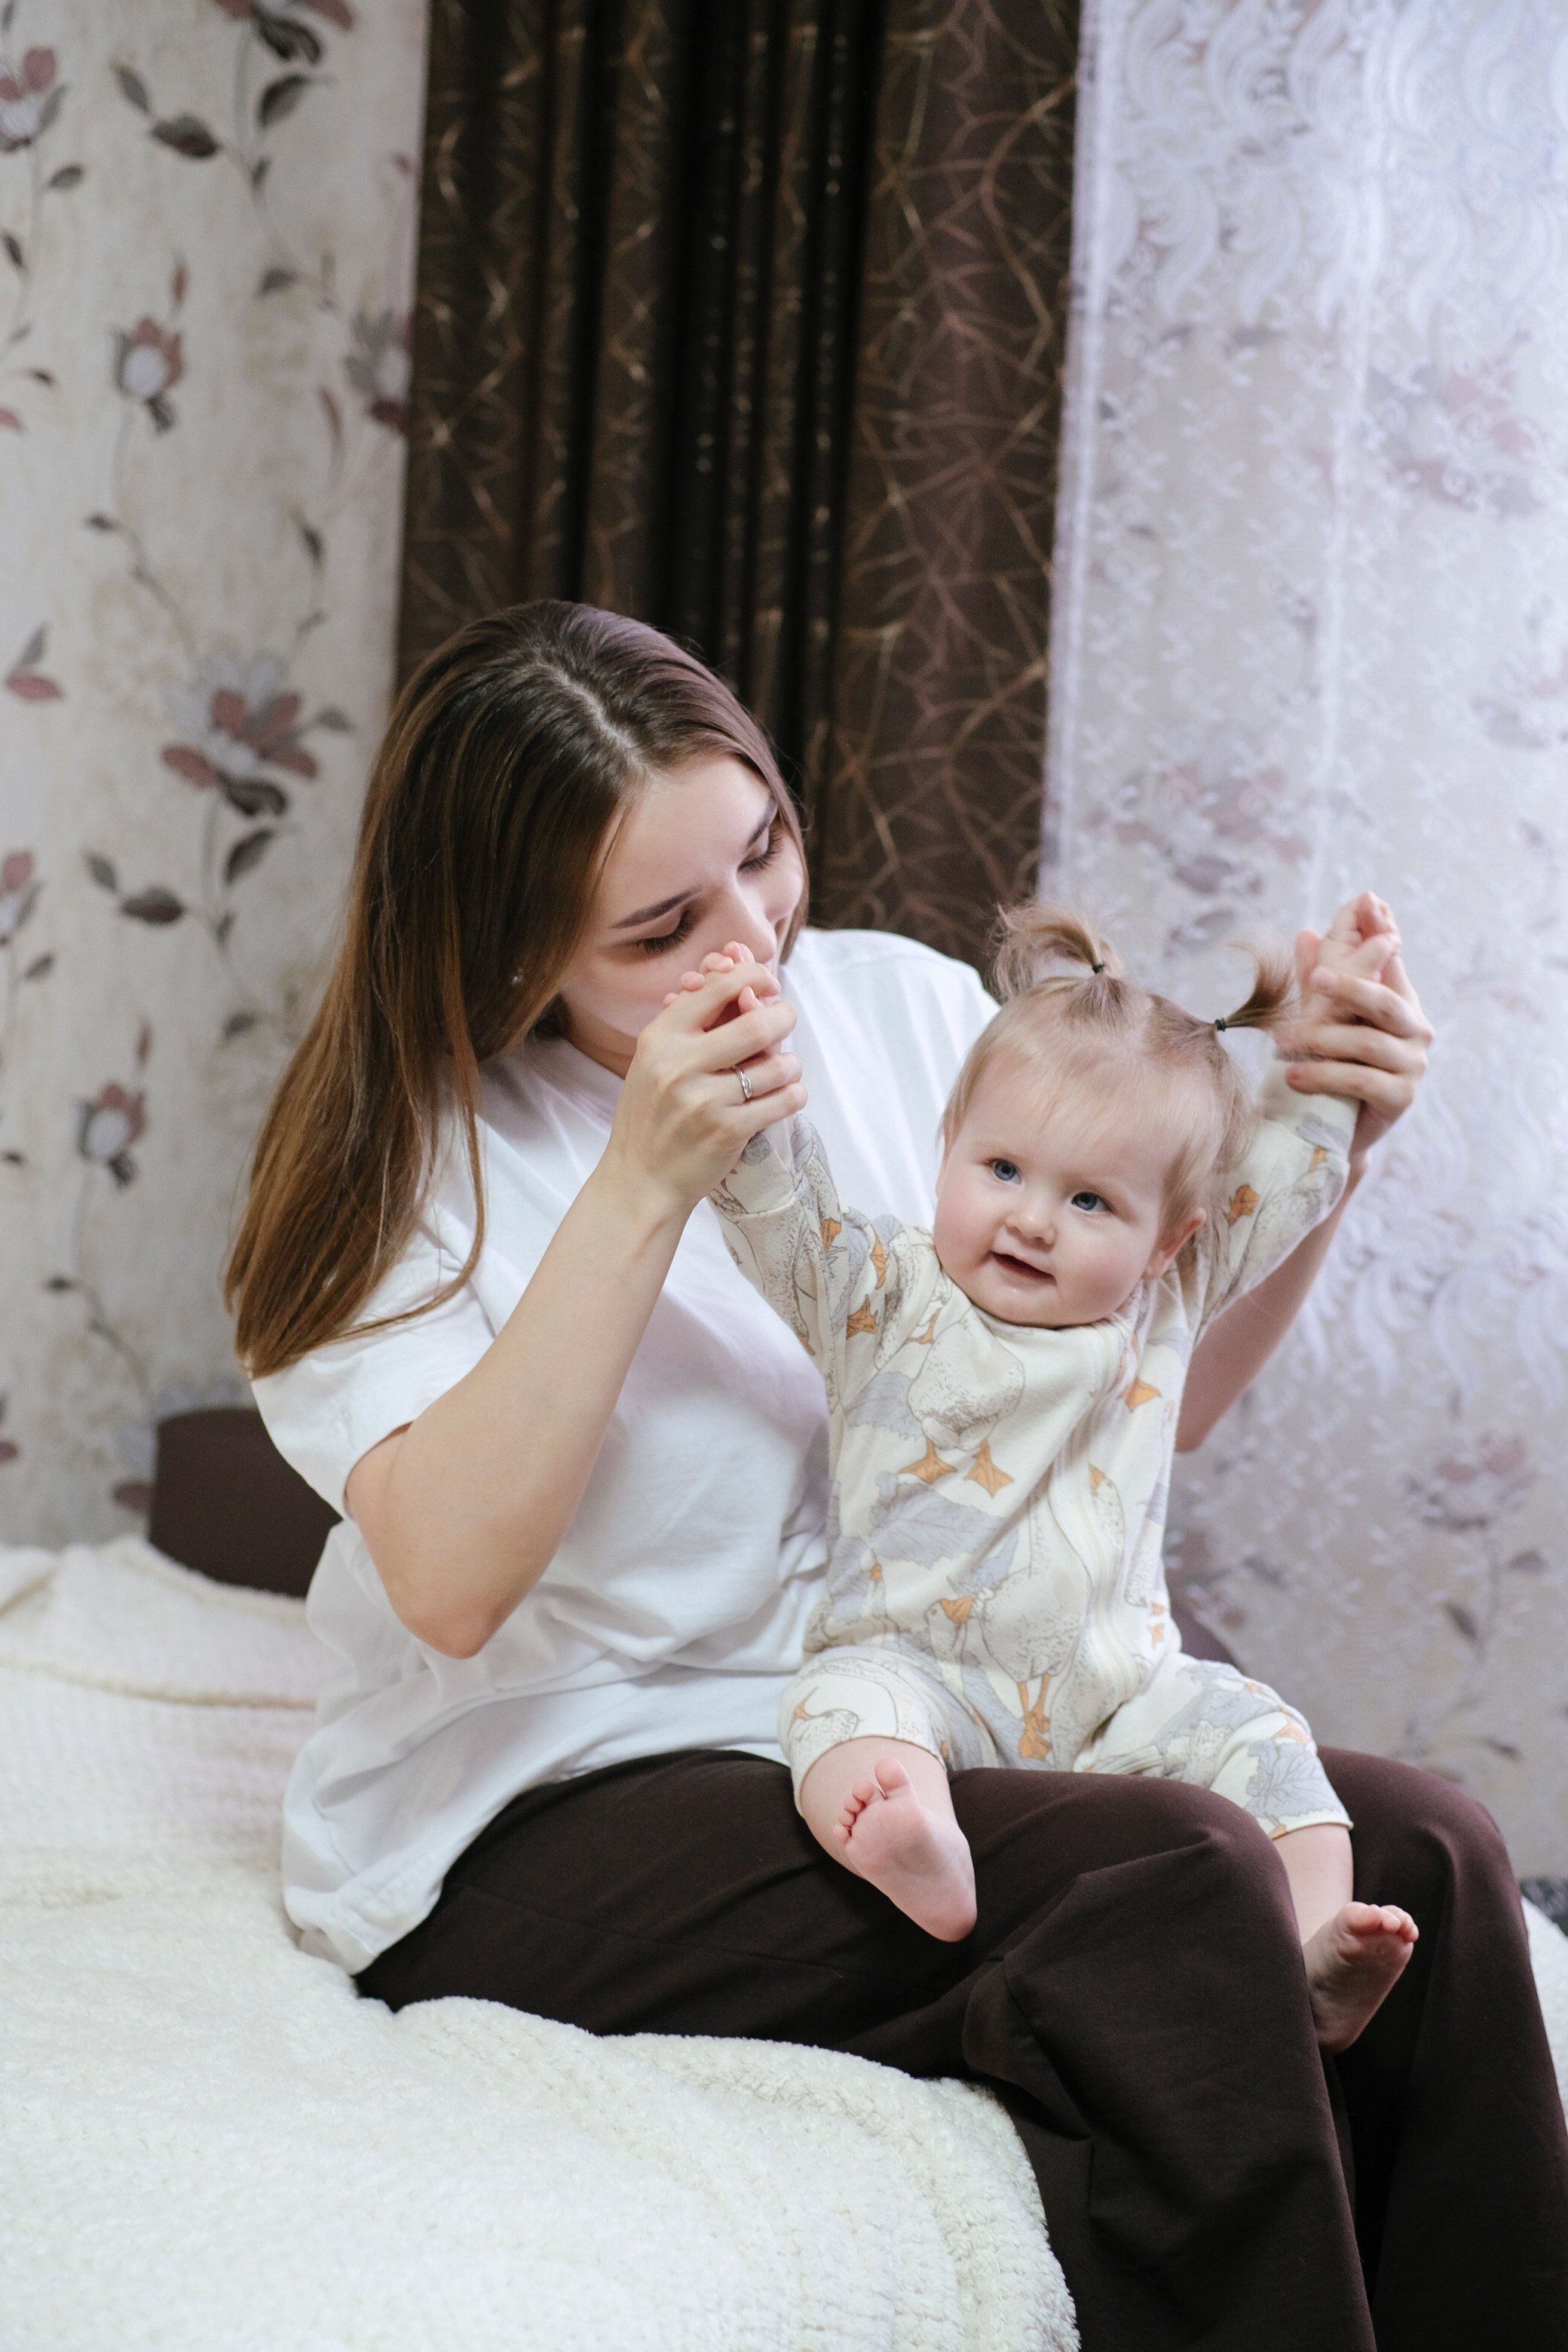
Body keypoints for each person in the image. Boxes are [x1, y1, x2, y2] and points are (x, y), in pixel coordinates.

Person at [229, 602, 1568, 2351]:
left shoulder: (900, 1014)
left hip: (923, 1732)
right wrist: (644, 1186)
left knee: (1437, 1849)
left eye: (762, 856)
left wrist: (1334, 1152)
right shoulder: (403, 1168)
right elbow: (452, 1585)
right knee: (1172, 1871)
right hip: (554, 1807)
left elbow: (1122, 1419)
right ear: (508, 952)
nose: (751, 941)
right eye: (661, 929)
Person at [699, 904, 1418, 2051]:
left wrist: (1335, 1036)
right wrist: (743, 1051)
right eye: (1002, 1169)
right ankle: (909, 1838)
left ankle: (1314, 1945)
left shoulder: (1165, 1301)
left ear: (1171, 1239)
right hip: (923, 1672)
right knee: (839, 1711)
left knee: (1264, 1734)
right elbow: (780, 1210)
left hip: (1119, 1694)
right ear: (947, 1148)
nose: (1033, 1220)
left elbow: (1291, 1172)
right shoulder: (885, 1293)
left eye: (1090, 1202)